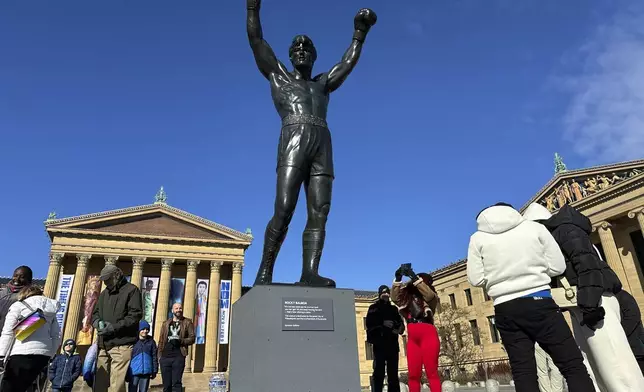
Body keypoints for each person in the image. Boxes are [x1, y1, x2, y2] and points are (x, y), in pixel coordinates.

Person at [247, 0, 377, 287]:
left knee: (320, 210)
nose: (302, 50)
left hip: (322, 143)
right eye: (296, 47)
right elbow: (257, 40)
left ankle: (310, 273)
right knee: (284, 208)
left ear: (315, 56)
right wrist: (252, 9)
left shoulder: (323, 84)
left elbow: (348, 62)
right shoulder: (278, 76)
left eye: (307, 47)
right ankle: (265, 271)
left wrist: (359, 33)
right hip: (294, 137)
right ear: (290, 56)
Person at [467, 202, 594, 392]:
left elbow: (475, 279)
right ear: (513, 212)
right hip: (540, 301)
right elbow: (558, 267)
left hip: (504, 307)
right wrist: (536, 274)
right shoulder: (534, 228)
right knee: (572, 365)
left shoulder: (478, 238)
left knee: (523, 371)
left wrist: (498, 282)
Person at [523, 202, 644, 391]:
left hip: (597, 303)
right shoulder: (558, 235)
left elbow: (587, 265)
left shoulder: (565, 230)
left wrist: (590, 305)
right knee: (595, 369)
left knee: (616, 368)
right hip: (583, 305)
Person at [91, 264, 143, 392]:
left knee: (117, 385)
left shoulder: (131, 290)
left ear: (117, 276)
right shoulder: (104, 294)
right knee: (99, 384)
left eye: (108, 279)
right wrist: (96, 322)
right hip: (103, 344)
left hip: (122, 344)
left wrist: (113, 327)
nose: (105, 283)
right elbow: (95, 313)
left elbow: (135, 316)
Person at [0, 285, 61, 392]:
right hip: (43, 356)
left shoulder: (18, 306)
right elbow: (56, 335)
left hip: (20, 353)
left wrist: (1, 355)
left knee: (8, 388)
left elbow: (8, 332)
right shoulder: (51, 311)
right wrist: (51, 354)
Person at [391, 264, 440, 392]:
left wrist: (413, 276)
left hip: (428, 334)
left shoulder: (431, 297)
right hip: (413, 338)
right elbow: (395, 298)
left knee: (432, 372)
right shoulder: (407, 299)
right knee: (413, 375)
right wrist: (398, 278)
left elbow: (428, 295)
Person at [366, 285, 405, 392]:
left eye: (388, 293)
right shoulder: (373, 308)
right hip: (380, 345)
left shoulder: (394, 309)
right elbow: (369, 324)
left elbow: (401, 324)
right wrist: (382, 324)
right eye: (384, 293)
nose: (386, 295)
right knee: (379, 373)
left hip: (392, 345)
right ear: (379, 294)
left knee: (393, 374)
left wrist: (398, 329)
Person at [158, 303, 195, 392]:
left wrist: (181, 341)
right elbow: (161, 340)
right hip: (165, 356)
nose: (178, 310)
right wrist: (159, 356)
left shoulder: (187, 322)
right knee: (166, 385)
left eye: (180, 308)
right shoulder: (166, 323)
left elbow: (192, 338)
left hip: (178, 356)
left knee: (176, 384)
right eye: (176, 308)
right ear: (172, 310)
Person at [615, 289, 644, 374]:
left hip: (637, 349)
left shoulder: (622, 296)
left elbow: (633, 317)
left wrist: (618, 335)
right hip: (623, 353)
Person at [0, 266, 33, 333]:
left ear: (29, 280)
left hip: (11, 335)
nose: (17, 279)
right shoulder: (2, 293)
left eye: (22, 277)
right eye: (15, 276)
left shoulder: (29, 296)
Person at [129, 320, 158, 392]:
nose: (145, 331)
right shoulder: (133, 341)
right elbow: (128, 357)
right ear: (139, 330)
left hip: (146, 372)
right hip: (134, 372)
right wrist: (127, 373)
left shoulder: (151, 341)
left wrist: (154, 370)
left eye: (147, 329)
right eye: (143, 329)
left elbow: (154, 356)